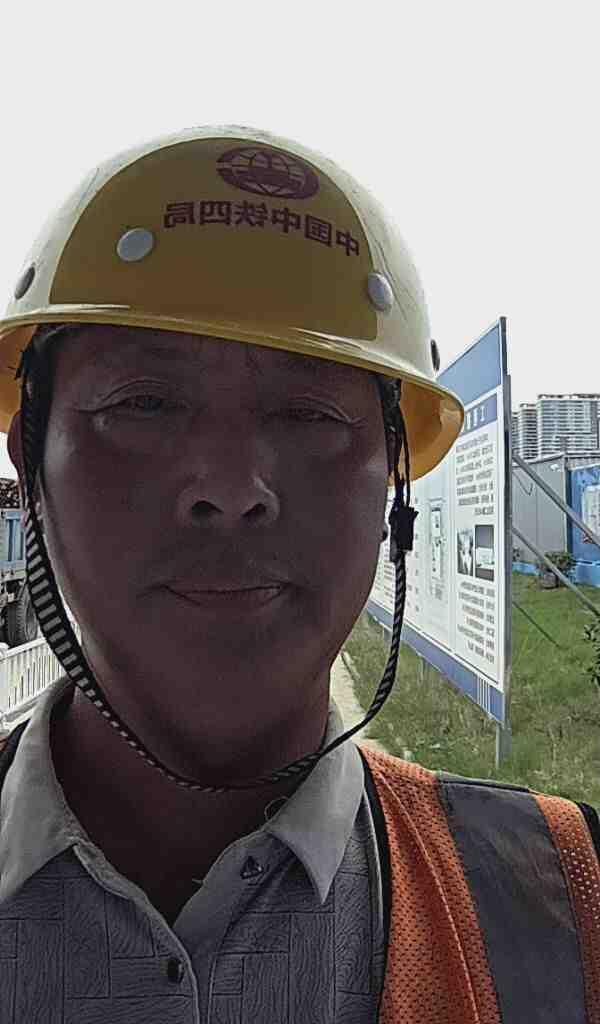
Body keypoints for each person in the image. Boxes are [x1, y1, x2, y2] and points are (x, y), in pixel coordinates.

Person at [0, 127, 598, 1023]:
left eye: (310, 412)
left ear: (393, 479)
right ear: (30, 462)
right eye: (145, 403)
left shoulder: (566, 899)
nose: (233, 487)